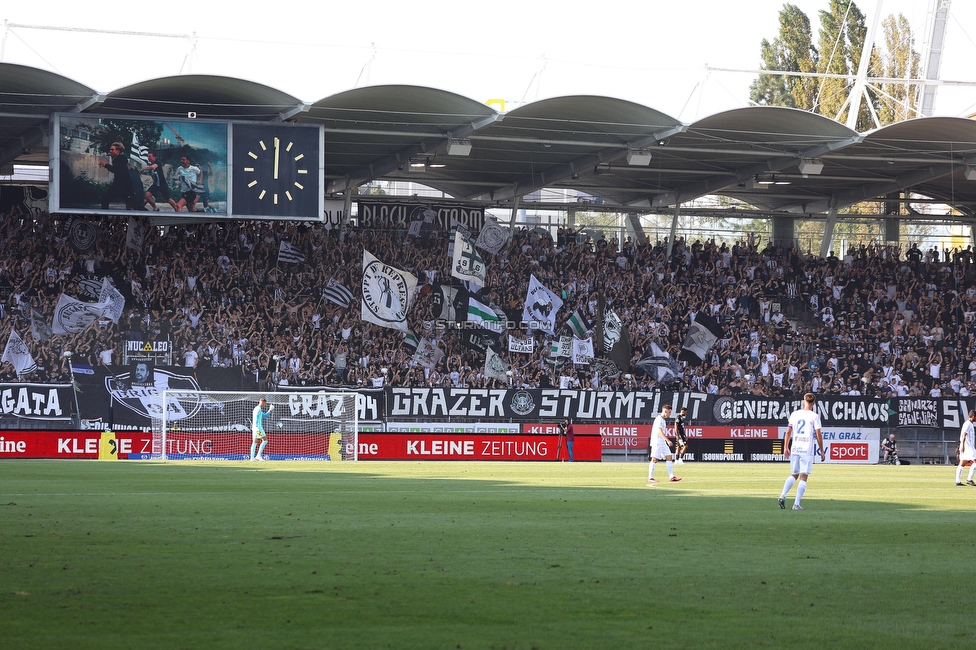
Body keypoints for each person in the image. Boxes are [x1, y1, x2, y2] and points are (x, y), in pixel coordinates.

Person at [778, 392, 825, 510]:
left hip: (795, 447)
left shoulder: (795, 414)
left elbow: (788, 431)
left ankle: (782, 495)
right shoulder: (814, 416)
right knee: (803, 477)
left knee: (794, 474)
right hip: (806, 448)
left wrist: (785, 447)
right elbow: (818, 435)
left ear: (803, 401)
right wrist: (822, 450)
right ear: (814, 403)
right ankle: (796, 504)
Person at [98, 141, 140, 210]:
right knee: (105, 198)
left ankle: (147, 217)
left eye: (112, 149)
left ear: (118, 151)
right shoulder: (118, 159)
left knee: (105, 198)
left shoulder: (121, 159)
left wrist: (106, 165)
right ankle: (104, 218)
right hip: (121, 185)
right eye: (110, 149)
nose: (110, 151)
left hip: (122, 186)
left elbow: (116, 170)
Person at [647, 404, 681, 484]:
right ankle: (650, 477)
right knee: (654, 459)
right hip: (657, 442)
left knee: (669, 456)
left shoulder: (663, 420)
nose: (669, 414)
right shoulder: (659, 419)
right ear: (665, 411)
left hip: (662, 442)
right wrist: (667, 440)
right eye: (669, 412)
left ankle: (671, 476)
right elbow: (659, 431)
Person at [954, 410, 976, 486]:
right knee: (975, 462)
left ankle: (957, 481)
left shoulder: (969, 423)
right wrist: (962, 445)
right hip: (968, 447)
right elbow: (964, 435)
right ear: (973, 416)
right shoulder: (968, 424)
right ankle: (969, 479)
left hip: (966, 447)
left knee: (962, 464)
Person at [250, 397, 274, 461]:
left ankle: (252, 458)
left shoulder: (257, 409)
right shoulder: (258, 409)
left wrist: (270, 410)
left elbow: (264, 416)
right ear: (262, 402)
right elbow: (257, 418)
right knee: (265, 440)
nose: (264, 405)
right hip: (258, 428)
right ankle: (258, 455)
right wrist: (257, 427)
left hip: (254, 428)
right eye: (264, 403)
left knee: (255, 442)